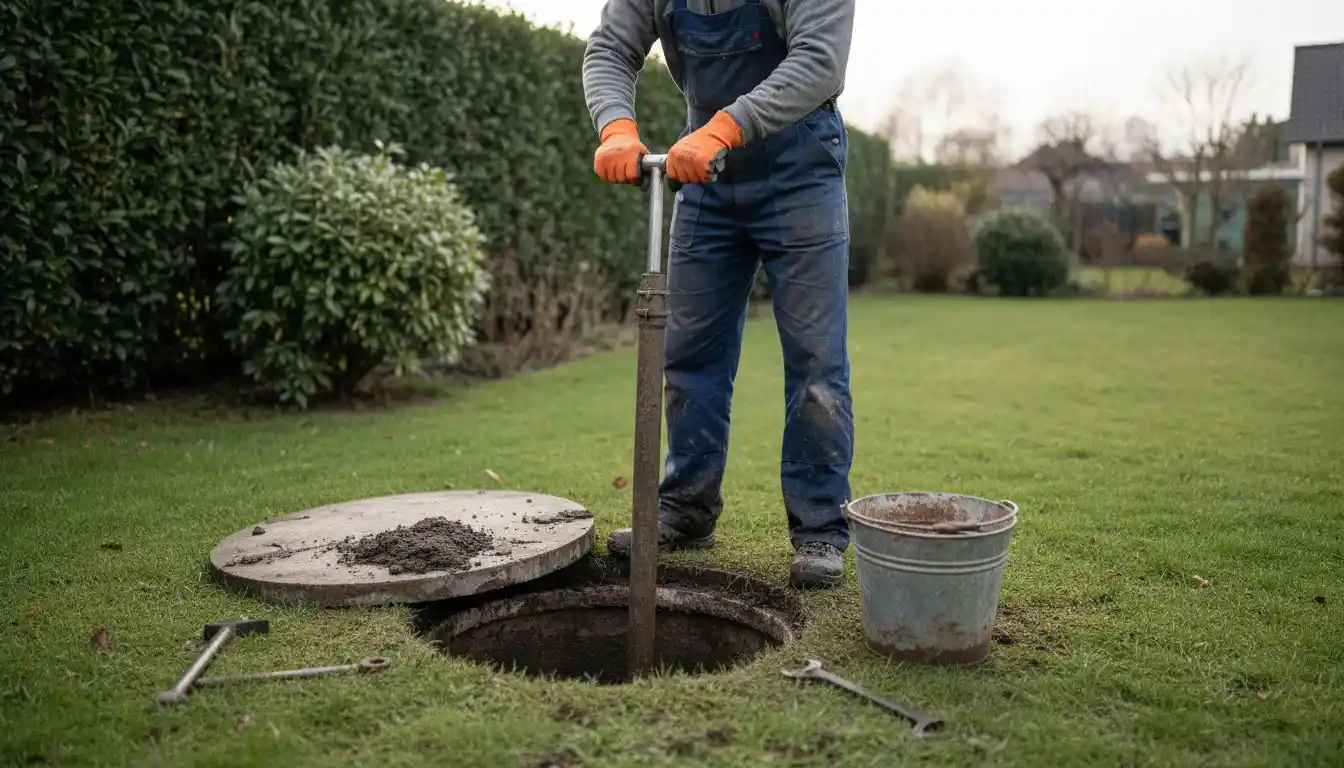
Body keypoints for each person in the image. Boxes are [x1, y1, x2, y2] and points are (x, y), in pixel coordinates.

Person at [582, 0, 856, 588]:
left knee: (815, 363)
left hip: (801, 171)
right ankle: (685, 508)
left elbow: (820, 61)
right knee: (688, 354)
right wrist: (617, 126)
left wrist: (725, 127)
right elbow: (611, 48)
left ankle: (819, 529)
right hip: (704, 175)